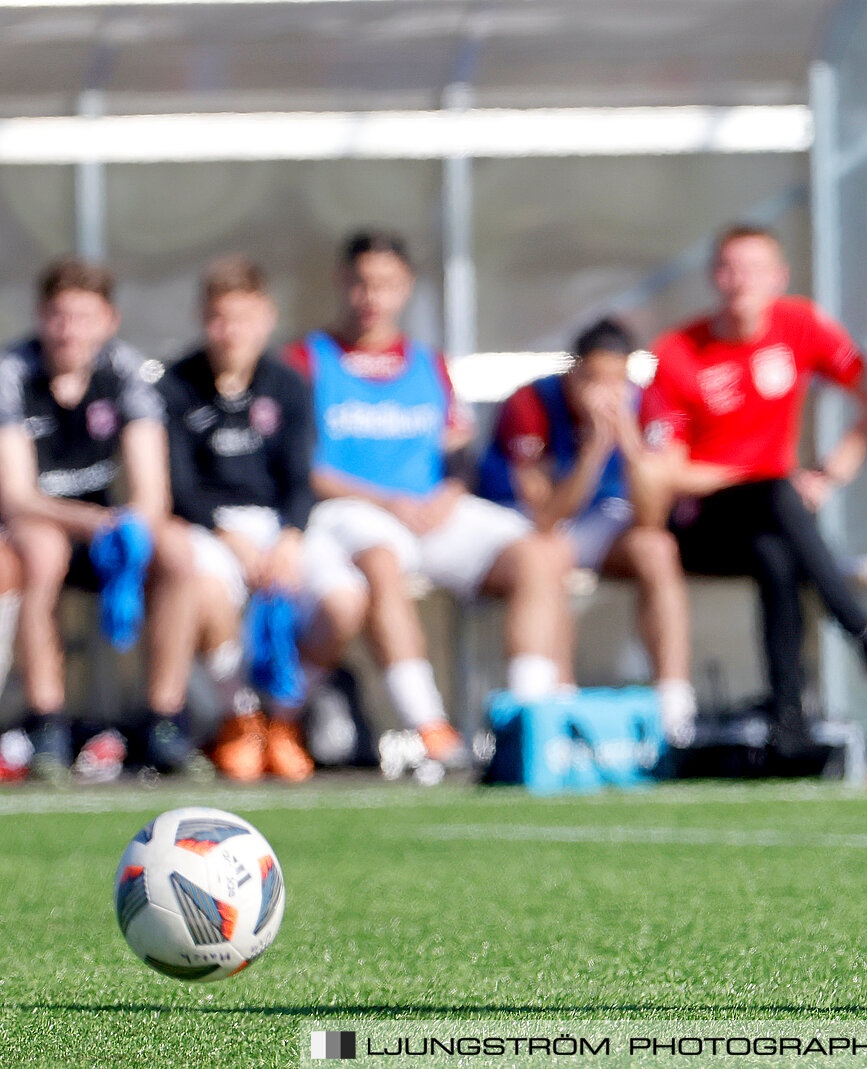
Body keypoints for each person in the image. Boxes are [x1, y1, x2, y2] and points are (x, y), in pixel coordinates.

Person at [287, 230, 574, 767]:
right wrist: (386, 502)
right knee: (381, 560)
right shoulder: (306, 360)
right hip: (350, 512)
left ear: (407, 288)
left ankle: (528, 719)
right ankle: (429, 727)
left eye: (386, 284)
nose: (371, 297)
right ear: (342, 283)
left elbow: (457, 451)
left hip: (431, 512)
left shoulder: (430, 363)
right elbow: (300, 467)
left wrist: (450, 492)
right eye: (361, 283)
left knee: (539, 552)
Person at [641, 223, 867, 759]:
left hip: (772, 519)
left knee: (776, 553)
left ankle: (788, 722)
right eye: (729, 268)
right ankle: (861, 628)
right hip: (702, 522)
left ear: (779, 278)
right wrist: (755, 479)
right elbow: (667, 472)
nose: (740, 281)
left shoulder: (800, 325)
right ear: (713, 277)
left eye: (753, 269)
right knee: (775, 498)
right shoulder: (678, 351)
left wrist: (832, 470)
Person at [0, 258, 204, 779]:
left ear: (109, 320)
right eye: (59, 316)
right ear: (41, 317)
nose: (70, 330)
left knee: (178, 550)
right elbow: (17, 496)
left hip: (105, 530)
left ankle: (163, 720)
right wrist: (96, 522)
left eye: (84, 316)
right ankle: (47, 720)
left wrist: (131, 526)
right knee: (41, 552)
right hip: (41, 525)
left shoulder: (126, 372)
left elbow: (152, 489)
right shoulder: (13, 375)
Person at [478, 317, 696, 745]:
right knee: (550, 552)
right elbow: (546, 517)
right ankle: (555, 707)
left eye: (616, 380)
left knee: (657, 549)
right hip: (536, 529)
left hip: (604, 524)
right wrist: (594, 453)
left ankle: (675, 706)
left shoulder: (645, 403)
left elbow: (651, 514)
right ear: (573, 372)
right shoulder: (532, 403)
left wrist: (629, 443)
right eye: (593, 378)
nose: (604, 392)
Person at [160, 256, 316, 782]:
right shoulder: (176, 385)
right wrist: (231, 538)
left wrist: (290, 539)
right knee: (203, 587)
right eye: (219, 318)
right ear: (203, 319)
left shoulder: (289, 385)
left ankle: (286, 722)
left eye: (243, 318)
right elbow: (179, 488)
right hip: (208, 527)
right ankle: (242, 717)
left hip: (277, 527)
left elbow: (300, 479)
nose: (231, 332)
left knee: (345, 597)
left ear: (267, 317)